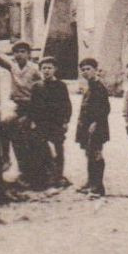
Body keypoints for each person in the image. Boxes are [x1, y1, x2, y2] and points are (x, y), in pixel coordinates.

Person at [29, 55, 72, 188]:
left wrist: (65, 121)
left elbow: (66, 105)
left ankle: (59, 176)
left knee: (58, 149)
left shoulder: (61, 86)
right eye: (44, 68)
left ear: (55, 69)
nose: (46, 70)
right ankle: (44, 177)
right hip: (41, 123)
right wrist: (33, 121)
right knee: (41, 149)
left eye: (49, 68)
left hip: (56, 123)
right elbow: (33, 105)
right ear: (40, 70)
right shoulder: (36, 86)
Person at [74, 57, 111, 196]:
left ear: (95, 70)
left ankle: (98, 187)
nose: (85, 72)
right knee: (88, 154)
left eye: (88, 69)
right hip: (85, 126)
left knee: (96, 153)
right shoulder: (89, 86)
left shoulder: (99, 86)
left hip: (97, 127)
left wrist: (95, 122)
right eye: (83, 70)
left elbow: (105, 108)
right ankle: (90, 182)